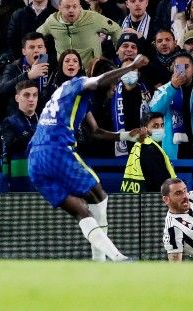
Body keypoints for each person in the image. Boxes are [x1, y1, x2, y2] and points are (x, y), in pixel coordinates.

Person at [27, 54, 150, 262]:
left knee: (82, 211)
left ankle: (101, 263)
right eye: (113, 86)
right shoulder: (78, 83)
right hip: (57, 150)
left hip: (35, 160)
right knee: (99, 195)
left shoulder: (70, 95)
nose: (113, 91)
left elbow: (94, 131)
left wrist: (126, 136)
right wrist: (131, 67)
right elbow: (100, 81)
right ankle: (113, 259)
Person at [148, 51, 193, 160]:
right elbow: (154, 112)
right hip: (174, 151)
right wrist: (173, 87)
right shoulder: (163, 90)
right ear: (173, 69)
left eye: (186, 66)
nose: (182, 70)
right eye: (178, 67)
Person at [121, 112, 175, 194]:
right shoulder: (149, 148)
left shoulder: (140, 145)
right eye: (155, 126)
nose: (160, 129)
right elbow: (160, 181)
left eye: (162, 125)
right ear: (144, 129)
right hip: (150, 199)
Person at [0, 80, 39, 192]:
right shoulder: (9, 122)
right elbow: (11, 145)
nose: (31, 99)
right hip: (19, 181)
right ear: (17, 98)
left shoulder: (44, 121)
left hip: (42, 180)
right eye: (26, 95)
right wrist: (35, 135)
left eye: (34, 95)